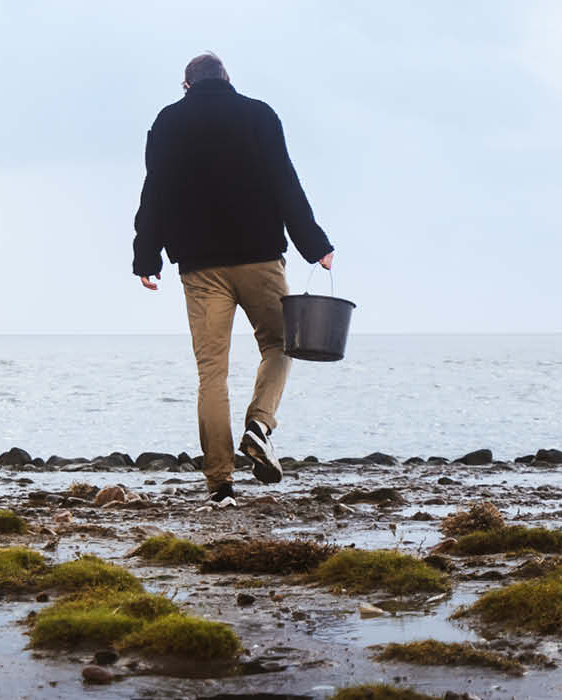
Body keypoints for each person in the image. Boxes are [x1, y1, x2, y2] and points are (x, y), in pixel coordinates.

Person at [132, 53, 334, 508]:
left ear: (186, 85)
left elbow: (155, 191)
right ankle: (259, 426)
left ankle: (220, 485)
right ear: (228, 79)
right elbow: (286, 181)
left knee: (212, 374)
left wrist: (146, 255)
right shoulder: (258, 114)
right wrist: (314, 244)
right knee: (282, 344)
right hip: (260, 258)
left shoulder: (168, 122)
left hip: (200, 268)